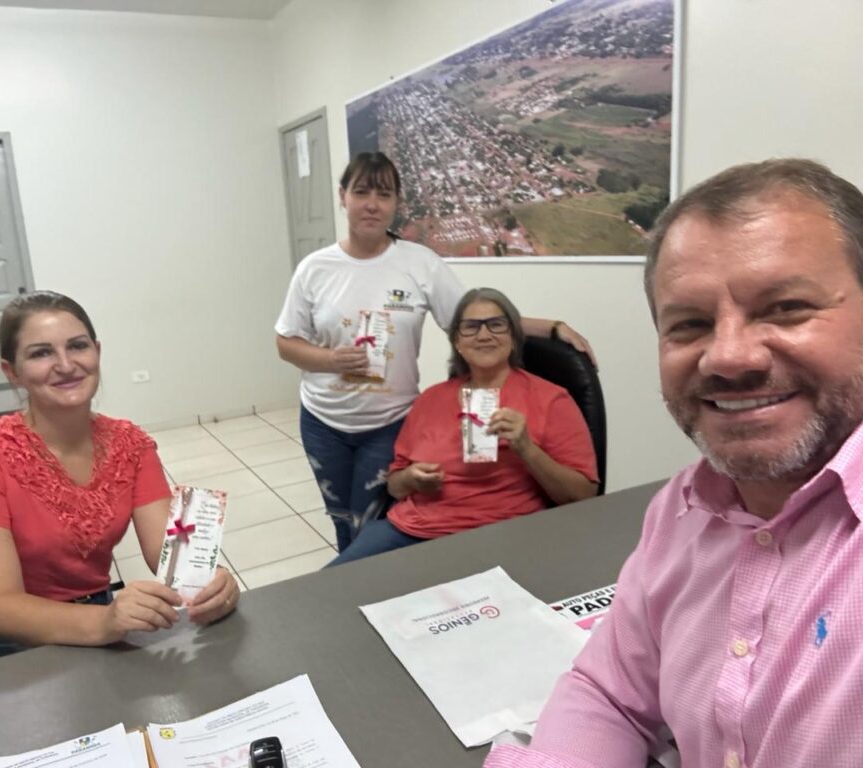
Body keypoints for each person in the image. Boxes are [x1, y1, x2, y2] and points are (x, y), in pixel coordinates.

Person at [485, 158, 863, 768]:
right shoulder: (683, 508)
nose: (728, 356)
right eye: (689, 324)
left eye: (786, 307)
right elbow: (610, 693)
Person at [275, 151, 594, 551]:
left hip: (388, 421)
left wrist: (552, 326)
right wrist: (331, 360)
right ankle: (351, 576)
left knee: (371, 514)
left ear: (397, 203)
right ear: (343, 197)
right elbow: (285, 343)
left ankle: (367, 573)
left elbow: (474, 316)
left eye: (384, 195)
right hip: (324, 421)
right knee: (342, 517)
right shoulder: (314, 268)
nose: (372, 204)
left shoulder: (420, 263)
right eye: (361, 192)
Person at [0, 291, 240, 673]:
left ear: (96, 351)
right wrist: (105, 624)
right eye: (41, 353)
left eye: (77, 346)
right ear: (12, 371)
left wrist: (211, 582)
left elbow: (169, 549)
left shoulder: (131, 445)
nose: (65, 364)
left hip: (97, 621)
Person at [329, 288, 598, 565]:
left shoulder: (550, 399)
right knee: (327, 591)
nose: (484, 335)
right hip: (412, 531)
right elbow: (396, 487)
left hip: (500, 533)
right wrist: (412, 478)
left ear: (513, 337)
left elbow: (583, 495)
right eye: (470, 327)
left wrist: (527, 448)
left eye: (496, 324)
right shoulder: (430, 399)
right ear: (457, 341)